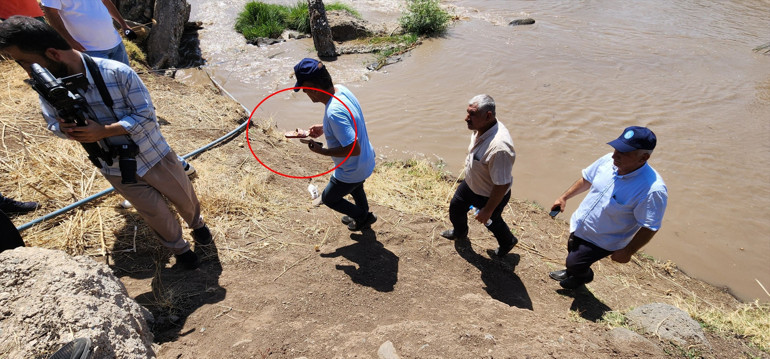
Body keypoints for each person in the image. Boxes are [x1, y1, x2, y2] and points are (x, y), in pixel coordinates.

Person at [0, 16, 212, 269]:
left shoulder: (117, 72)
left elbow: (146, 117)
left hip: (153, 154)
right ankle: (180, 249)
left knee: (185, 198)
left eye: (24, 62)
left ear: (53, 54)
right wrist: (64, 128)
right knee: (154, 213)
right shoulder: (47, 87)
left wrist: (103, 131)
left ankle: (197, 224)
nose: (26, 71)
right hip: (113, 166)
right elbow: (51, 123)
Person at [548, 126, 668, 289]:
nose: (614, 155)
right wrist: (564, 197)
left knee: (574, 262)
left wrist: (628, 251)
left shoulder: (652, 190)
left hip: (603, 240)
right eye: (616, 149)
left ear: (643, 157)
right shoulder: (608, 161)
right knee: (572, 250)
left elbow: (650, 226)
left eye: (624, 153)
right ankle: (573, 271)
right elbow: (587, 179)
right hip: (580, 224)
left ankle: (582, 276)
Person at [293, 58, 377, 231]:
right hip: (366, 160)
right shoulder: (341, 90)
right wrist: (325, 128)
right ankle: (362, 212)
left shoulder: (333, 112)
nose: (305, 94)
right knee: (356, 186)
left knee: (329, 198)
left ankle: (363, 216)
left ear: (312, 88)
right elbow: (349, 121)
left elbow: (353, 149)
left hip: (352, 169)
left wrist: (321, 150)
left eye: (304, 90)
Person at [440, 94, 518, 258]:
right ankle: (460, 232)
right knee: (456, 207)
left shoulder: (499, 148)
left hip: (488, 194)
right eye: (468, 112)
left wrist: (488, 210)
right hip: (471, 184)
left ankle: (508, 241)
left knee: (491, 221)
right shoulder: (481, 128)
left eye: (472, 114)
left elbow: (502, 184)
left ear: (488, 115)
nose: (466, 118)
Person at [41, 0, 133, 66]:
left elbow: (106, 1)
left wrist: (123, 24)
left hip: (115, 43)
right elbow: (51, 13)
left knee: (127, 82)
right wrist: (69, 40)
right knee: (105, 87)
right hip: (89, 49)